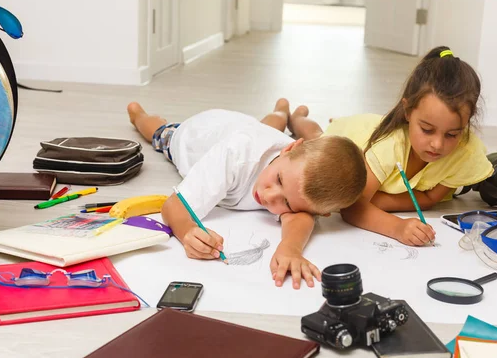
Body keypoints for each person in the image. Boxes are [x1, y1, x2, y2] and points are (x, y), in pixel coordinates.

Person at [127, 99, 367, 289]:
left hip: (251, 129)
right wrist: (186, 231)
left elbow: (301, 218)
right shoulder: (235, 157)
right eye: (279, 179)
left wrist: (290, 248)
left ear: (323, 213)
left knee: (266, 126)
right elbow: (172, 207)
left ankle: (281, 110)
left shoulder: (295, 176)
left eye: (287, 203)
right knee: (160, 134)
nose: (269, 196)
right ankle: (139, 114)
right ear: (289, 148)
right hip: (196, 132)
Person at [281, 46, 493, 247]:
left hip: (375, 181)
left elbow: (429, 199)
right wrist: (397, 227)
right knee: (316, 136)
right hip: (353, 138)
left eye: (452, 134)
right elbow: (351, 208)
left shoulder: (465, 152)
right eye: (427, 129)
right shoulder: (390, 145)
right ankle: (295, 117)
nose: (437, 144)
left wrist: (371, 201)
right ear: (407, 111)